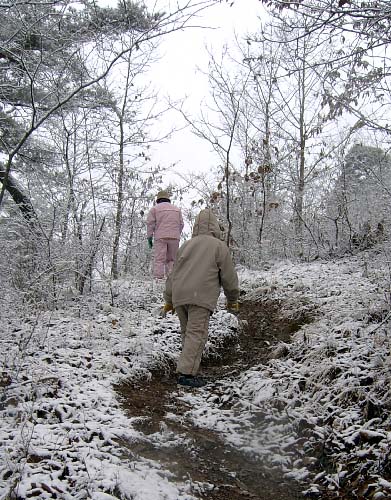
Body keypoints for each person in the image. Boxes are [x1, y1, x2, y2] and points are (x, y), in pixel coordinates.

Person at [163, 208, 240, 388]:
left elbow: (173, 275)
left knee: (187, 333)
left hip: (180, 296)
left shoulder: (185, 246)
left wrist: (168, 299)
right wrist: (232, 299)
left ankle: (187, 367)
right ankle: (186, 375)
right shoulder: (218, 246)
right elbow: (229, 277)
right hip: (200, 296)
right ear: (214, 226)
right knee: (197, 334)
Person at [147, 190, 184, 280]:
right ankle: (171, 279)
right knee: (172, 259)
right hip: (174, 237)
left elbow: (150, 223)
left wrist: (149, 237)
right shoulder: (176, 210)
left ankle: (158, 278)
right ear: (168, 199)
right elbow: (181, 224)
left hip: (160, 237)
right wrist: (176, 233)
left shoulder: (154, 209)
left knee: (159, 259)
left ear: (158, 199)